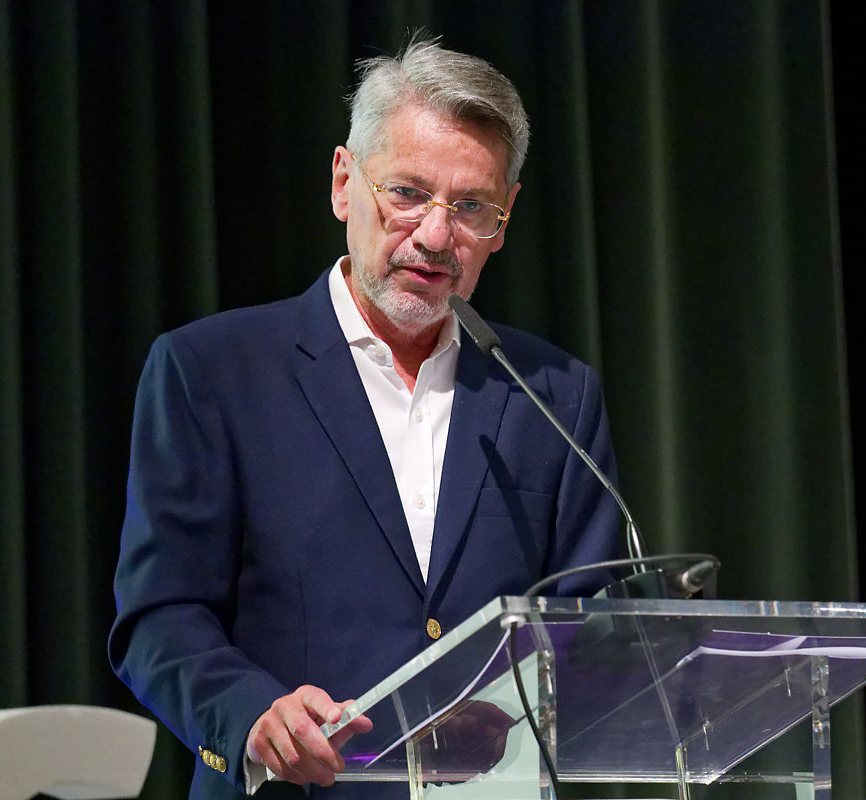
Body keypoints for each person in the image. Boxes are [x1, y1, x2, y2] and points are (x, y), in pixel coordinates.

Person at [109, 37, 623, 799]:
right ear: (345, 183)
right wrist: (252, 715)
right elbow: (159, 618)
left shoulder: (552, 393)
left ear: (505, 220)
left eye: (471, 206)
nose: (437, 235)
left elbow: (593, 633)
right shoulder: (212, 372)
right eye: (408, 193)